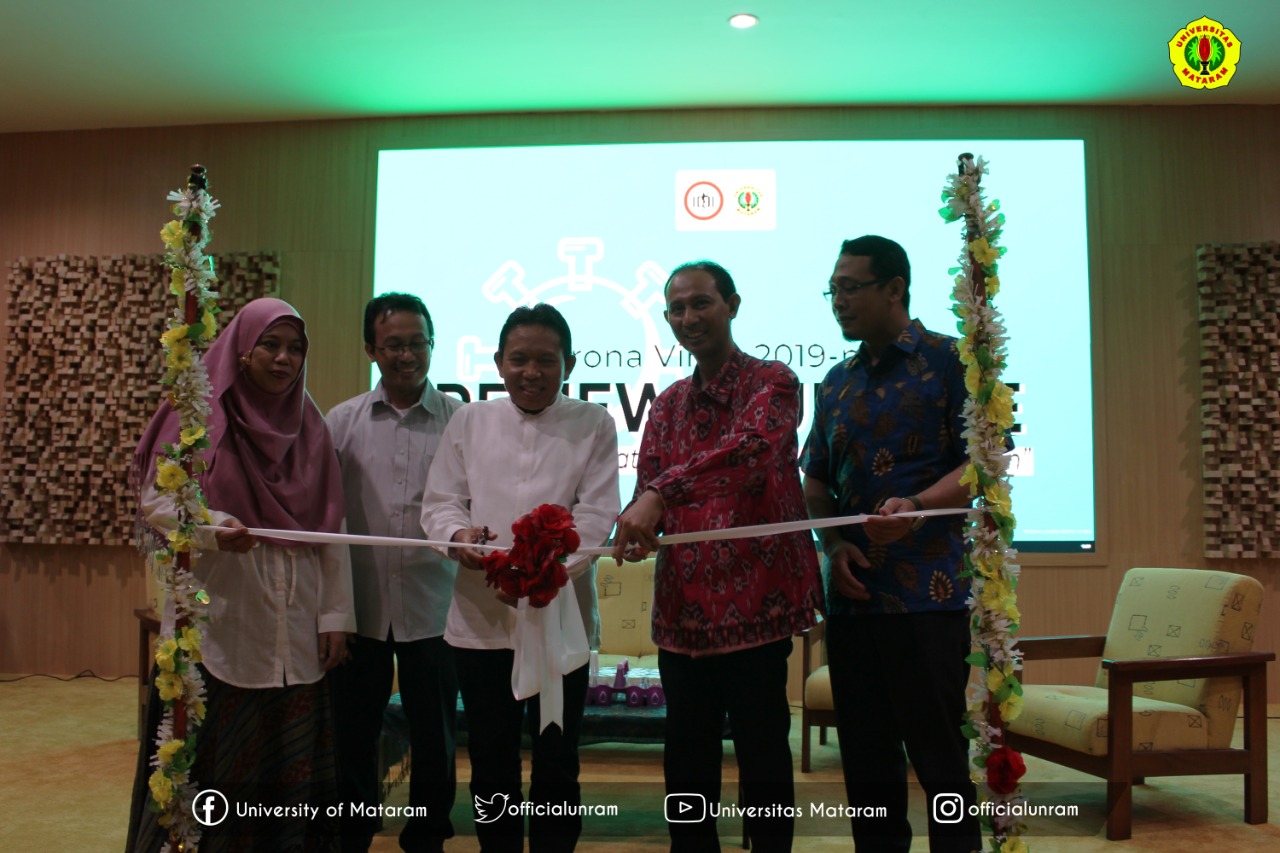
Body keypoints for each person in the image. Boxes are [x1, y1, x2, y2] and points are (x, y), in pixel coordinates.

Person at [127, 297, 354, 852]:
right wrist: (211, 525)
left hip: (295, 623)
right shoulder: (198, 418)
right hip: (220, 619)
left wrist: (335, 616)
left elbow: (332, 525)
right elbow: (157, 499)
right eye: (271, 345)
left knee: (287, 776)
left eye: (295, 348)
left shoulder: (312, 424)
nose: (283, 359)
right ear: (241, 348)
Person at [612, 261, 822, 853]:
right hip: (683, 616)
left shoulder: (772, 382)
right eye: (676, 309)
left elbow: (751, 453)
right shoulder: (668, 404)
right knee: (687, 761)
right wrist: (635, 524)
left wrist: (660, 495)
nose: (688, 318)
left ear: (732, 304)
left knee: (762, 752)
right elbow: (645, 489)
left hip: (758, 607)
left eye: (700, 304)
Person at [802, 235, 982, 852]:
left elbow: (987, 462)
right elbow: (816, 480)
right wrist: (832, 546)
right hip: (854, 600)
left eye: (850, 288)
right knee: (868, 767)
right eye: (833, 290)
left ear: (894, 289)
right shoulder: (834, 382)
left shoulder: (953, 362)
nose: (838, 302)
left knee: (941, 761)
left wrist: (920, 507)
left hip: (928, 598)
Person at [420, 303, 619, 853]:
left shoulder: (595, 424)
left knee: (557, 758)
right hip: (482, 620)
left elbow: (599, 516)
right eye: (519, 359)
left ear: (570, 364)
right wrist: (459, 540)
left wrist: (544, 573)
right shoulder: (469, 420)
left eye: (546, 361)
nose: (532, 372)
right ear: (499, 363)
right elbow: (440, 504)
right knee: (490, 760)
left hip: (561, 620)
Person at [326, 294, 463, 853]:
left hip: (438, 607)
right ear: (370, 350)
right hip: (361, 608)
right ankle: (354, 830)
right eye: (394, 345)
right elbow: (323, 512)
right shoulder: (342, 421)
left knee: (437, 735)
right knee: (354, 734)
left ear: (432, 343)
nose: (407, 355)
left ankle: (427, 834)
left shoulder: (463, 420)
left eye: (417, 342)